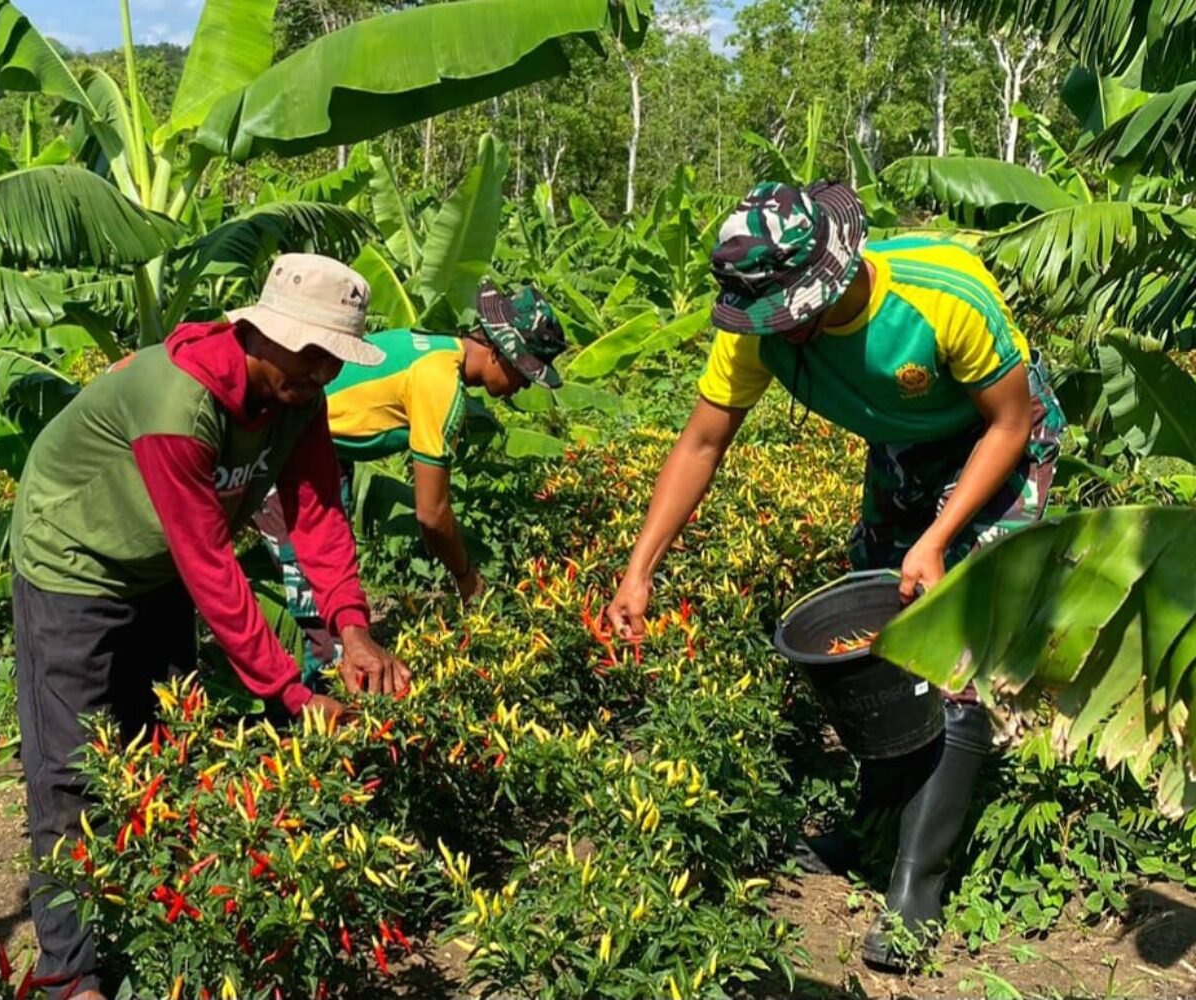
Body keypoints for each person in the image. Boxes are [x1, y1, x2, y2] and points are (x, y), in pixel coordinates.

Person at [607, 181, 1066, 969]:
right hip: (902, 450)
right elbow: (700, 446)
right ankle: (872, 828)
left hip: (998, 442)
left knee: (953, 645)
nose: (780, 332)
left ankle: (916, 893)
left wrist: (938, 538)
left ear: (831, 274)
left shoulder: (942, 294)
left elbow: (1011, 420)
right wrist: (638, 569)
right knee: (882, 641)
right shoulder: (757, 326)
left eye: (791, 311)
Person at [10, 254, 409, 1000]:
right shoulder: (178, 402)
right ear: (264, 333)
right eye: (313, 352)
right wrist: (291, 693)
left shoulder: (298, 398)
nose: (323, 371)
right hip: (73, 561)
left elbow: (317, 512)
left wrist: (352, 628)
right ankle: (70, 973)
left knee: (164, 742)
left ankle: (158, 919)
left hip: (156, 565)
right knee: (71, 772)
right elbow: (211, 564)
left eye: (334, 358)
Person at [254, 281, 567, 676]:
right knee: (326, 621)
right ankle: (319, 715)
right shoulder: (439, 381)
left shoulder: (434, 345)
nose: (520, 387)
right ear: (495, 352)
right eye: (523, 374)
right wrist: (466, 578)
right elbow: (432, 515)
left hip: (323, 454)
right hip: (283, 452)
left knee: (334, 589)